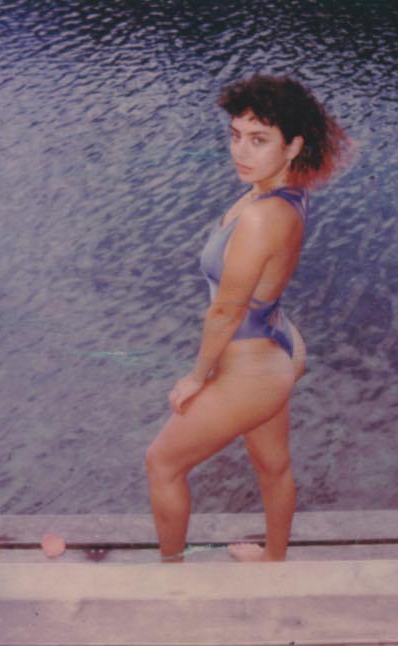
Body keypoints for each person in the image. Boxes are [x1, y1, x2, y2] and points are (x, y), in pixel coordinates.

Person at [145, 74, 348, 562]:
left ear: (293, 146)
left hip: (251, 371)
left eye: (259, 140)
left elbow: (226, 309)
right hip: (275, 350)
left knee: (162, 464)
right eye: (236, 136)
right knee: (272, 466)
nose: (241, 151)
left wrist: (197, 377)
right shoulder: (278, 193)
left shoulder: (260, 217)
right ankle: (273, 561)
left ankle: (168, 574)